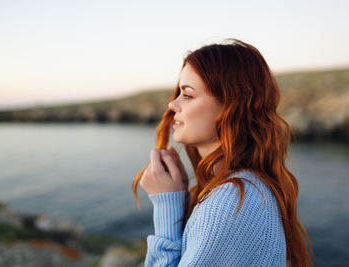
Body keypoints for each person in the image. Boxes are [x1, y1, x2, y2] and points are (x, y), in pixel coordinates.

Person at [132, 38, 313, 266]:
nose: (172, 104)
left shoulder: (231, 201)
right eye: (179, 92)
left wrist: (167, 204)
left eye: (187, 94)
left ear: (231, 105)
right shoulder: (242, 189)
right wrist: (181, 199)